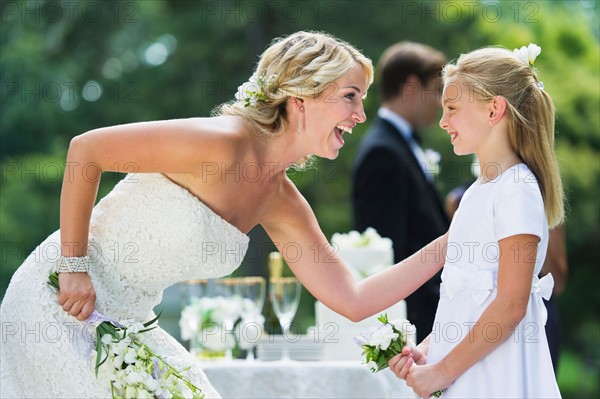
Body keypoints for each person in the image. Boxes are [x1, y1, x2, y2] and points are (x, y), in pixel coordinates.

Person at [0, 31, 450, 398]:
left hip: (130, 321)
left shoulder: (281, 200)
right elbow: (86, 152)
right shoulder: (220, 142)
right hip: (60, 301)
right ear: (301, 97)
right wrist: (73, 266)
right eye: (351, 96)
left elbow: (353, 299)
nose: (359, 114)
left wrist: (454, 240)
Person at [388, 44, 564, 398]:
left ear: (494, 109)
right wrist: (429, 349)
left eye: (452, 108)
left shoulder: (517, 189)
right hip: (468, 372)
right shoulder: (478, 191)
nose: (442, 122)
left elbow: (510, 305)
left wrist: (442, 372)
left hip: (497, 376)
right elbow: (465, 296)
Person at [352, 41, 449, 342]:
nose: (440, 102)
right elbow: (387, 246)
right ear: (410, 86)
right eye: (436, 90)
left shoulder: (405, 144)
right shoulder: (382, 152)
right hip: (417, 321)